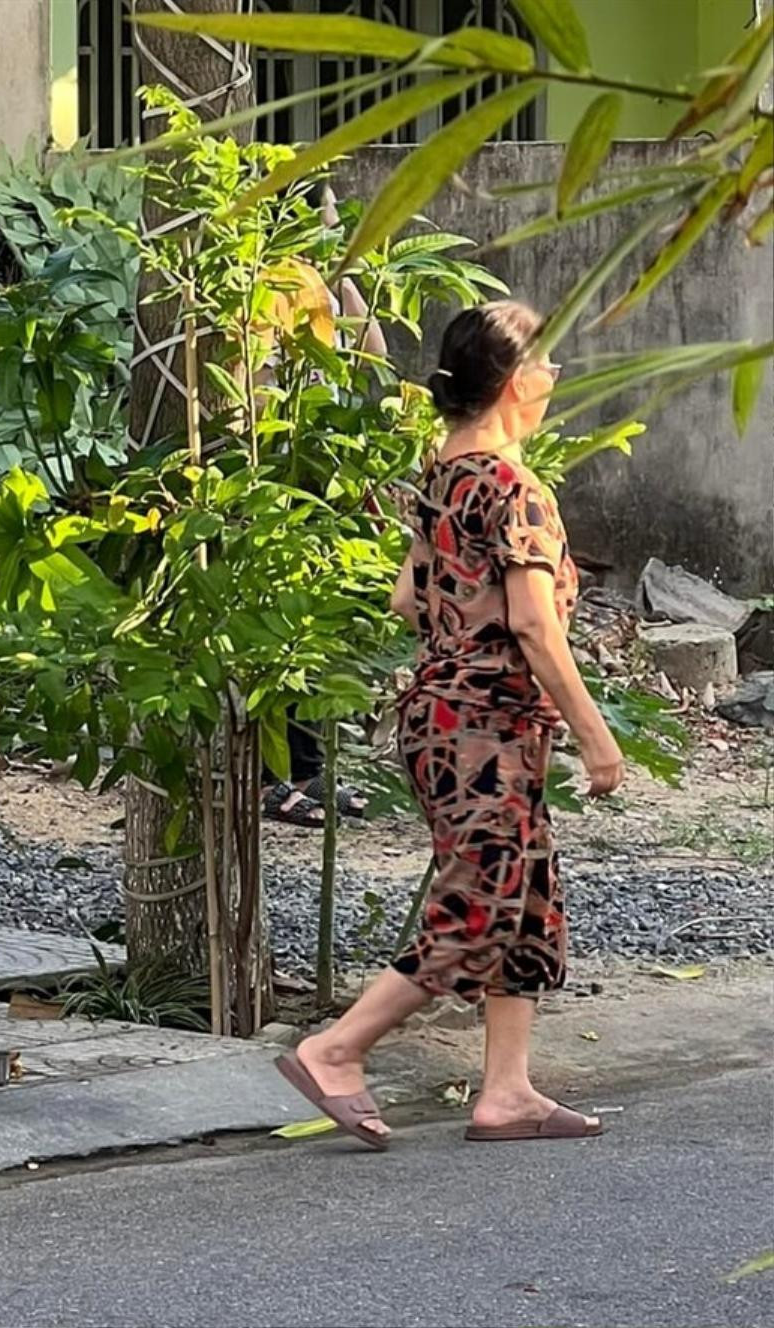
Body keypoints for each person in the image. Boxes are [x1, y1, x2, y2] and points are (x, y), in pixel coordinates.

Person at [276, 300, 625, 1147]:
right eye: (546, 366)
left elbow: (407, 598)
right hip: (487, 725)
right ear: (512, 384)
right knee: (481, 899)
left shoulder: (444, 475)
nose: (554, 379)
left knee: (524, 895)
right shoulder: (510, 486)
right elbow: (536, 626)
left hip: (443, 715)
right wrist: (594, 732)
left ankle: (507, 1091)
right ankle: (337, 1048)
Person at [259, 184, 383, 828]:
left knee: (311, 624)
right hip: (279, 468)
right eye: (332, 220)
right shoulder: (266, 281)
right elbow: (255, 383)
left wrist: (345, 274)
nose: (340, 232)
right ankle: (266, 777)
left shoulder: (315, 280)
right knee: (275, 622)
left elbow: (376, 351)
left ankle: (306, 772)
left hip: (317, 471)